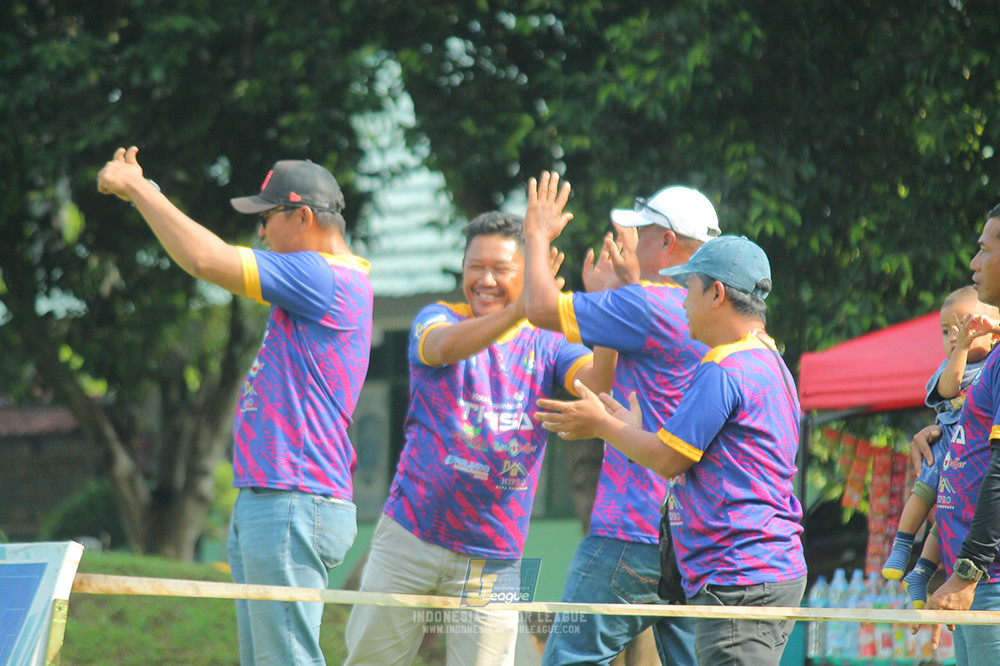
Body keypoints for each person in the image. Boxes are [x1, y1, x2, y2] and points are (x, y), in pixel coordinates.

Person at [97, 148, 373, 665]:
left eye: (267, 219)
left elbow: (204, 259)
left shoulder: (323, 275)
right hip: (278, 496)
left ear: (303, 218)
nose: (262, 233)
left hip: (293, 495)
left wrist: (140, 190)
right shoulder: (321, 280)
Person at [344, 203, 610, 665]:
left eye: (501, 270)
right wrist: (523, 306)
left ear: (527, 274)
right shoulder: (438, 317)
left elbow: (601, 384)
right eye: (475, 267)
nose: (485, 280)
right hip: (409, 536)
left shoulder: (549, 344)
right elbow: (444, 347)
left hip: (495, 558)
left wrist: (609, 312)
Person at [534, 235, 807, 666]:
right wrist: (627, 429)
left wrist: (601, 425)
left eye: (689, 290)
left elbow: (667, 458)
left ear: (716, 294)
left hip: (736, 573)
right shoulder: (771, 362)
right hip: (766, 569)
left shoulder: (724, 368)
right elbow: (695, 454)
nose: (681, 304)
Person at [522, 172, 716, 665]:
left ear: (667, 242)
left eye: (643, 232)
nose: (631, 240)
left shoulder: (649, 303)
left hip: (630, 530)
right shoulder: (712, 312)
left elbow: (540, 306)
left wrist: (537, 234)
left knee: (570, 660)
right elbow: (604, 389)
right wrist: (612, 308)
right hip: (693, 534)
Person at [911, 203, 1000, 664]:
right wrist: (940, 435)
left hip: (988, 583)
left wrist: (966, 573)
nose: (973, 262)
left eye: (984, 249)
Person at [882, 286, 999, 608]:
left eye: (964, 329)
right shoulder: (949, 368)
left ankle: (921, 571)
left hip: (974, 461)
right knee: (926, 494)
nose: (953, 337)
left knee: (949, 516)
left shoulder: (994, 367)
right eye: (947, 331)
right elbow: (949, 388)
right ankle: (902, 547)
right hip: (947, 445)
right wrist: (961, 348)